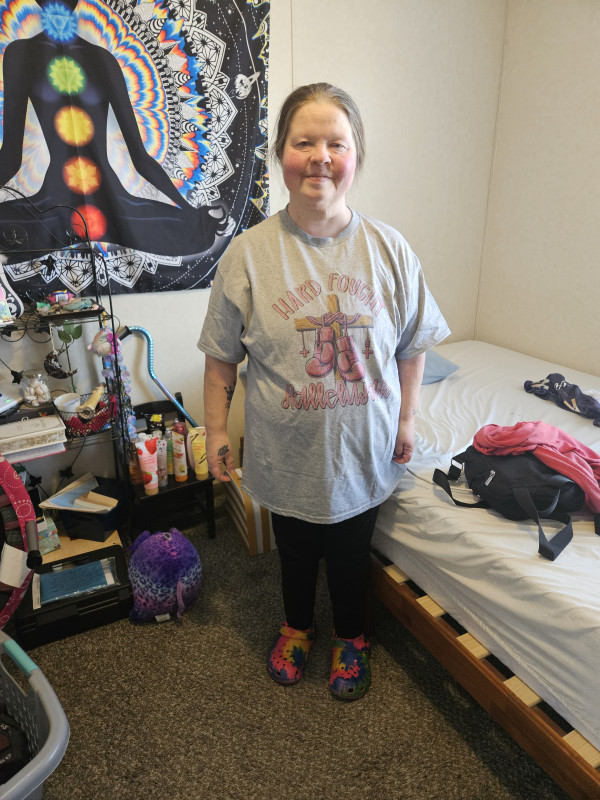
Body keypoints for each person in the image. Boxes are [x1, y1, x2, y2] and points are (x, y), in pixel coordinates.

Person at [198, 82, 450, 701]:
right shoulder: (248, 255)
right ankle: (297, 627)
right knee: (295, 552)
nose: (320, 157)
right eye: (303, 142)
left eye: (336, 143)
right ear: (280, 154)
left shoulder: (389, 249)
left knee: (349, 554)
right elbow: (221, 360)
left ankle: (351, 636)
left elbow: (414, 343)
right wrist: (214, 432)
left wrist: (407, 420)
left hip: (364, 452)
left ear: (356, 155)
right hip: (285, 454)